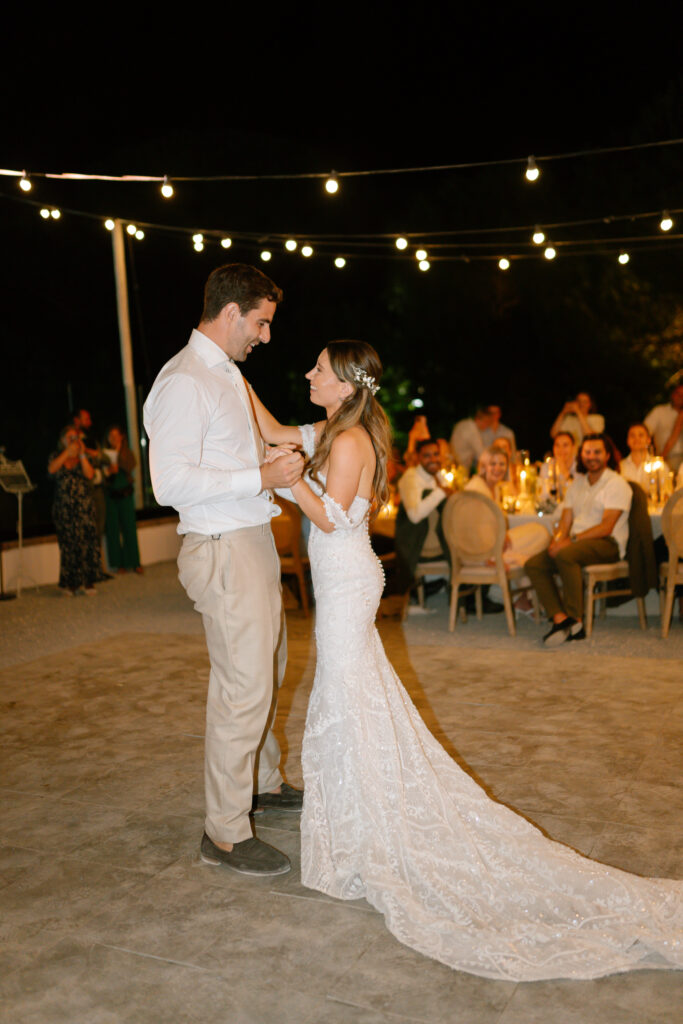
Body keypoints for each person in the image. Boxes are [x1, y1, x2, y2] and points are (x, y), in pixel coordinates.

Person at [254, 343, 683, 980]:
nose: (308, 374)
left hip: (345, 578)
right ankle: (357, 829)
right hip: (346, 579)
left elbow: (339, 519)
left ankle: (363, 837)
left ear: (344, 383)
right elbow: (269, 426)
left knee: (345, 699)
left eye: (318, 368)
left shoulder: (345, 443)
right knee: (352, 699)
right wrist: (231, 378)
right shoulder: (338, 428)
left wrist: (292, 485)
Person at [143, 263, 305, 878]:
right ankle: (227, 833)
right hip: (220, 543)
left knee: (269, 668)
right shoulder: (185, 380)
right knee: (243, 686)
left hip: (250, 536)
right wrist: (262, 476)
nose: (264, 336)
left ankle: (260, 784)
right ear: (232, 312)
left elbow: (243, 453)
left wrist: (277, 466)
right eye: (260, 323)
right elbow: (169, 482)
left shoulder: (228, 377)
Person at [526, 433, 632, 646]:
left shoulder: (616, 483)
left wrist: (569, 541)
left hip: (608, 543)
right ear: (581, 455)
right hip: (578, 542)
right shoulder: (578, 483)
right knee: (534, 564)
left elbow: (606, 527)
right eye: (587, 452)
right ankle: (560, 619)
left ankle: (577, 621)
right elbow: (566, 520)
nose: (591, 456)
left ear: (608, 455)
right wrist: (558, 540)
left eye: (597, 452)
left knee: (566, 554)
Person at [394, 438, 454, 596]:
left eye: (436, 454)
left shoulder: (437, 475)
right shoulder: (410, 478)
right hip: (418, 545)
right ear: (418, 458)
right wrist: (441, 492)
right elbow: (414, 516)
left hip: (435, 539)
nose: (433, 459)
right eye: (427, 456)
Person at [48, 425, 101, 595]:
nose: (73, 440)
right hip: (64, 508)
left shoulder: (83, 456)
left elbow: (90, 474)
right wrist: (67, 452)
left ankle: (88, 582)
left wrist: (82, 454)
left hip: (84, 507)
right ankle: (70, 583)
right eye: (70, 437)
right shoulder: (56, 455)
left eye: (76, 437)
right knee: (68, 545)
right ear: (62, 440)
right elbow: (51, 469)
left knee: (88, 543)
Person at [104, 425, 142, 574]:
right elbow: (101, 473)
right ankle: (118, 564)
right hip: (111, 495)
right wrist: (108, 470)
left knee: (129, 528)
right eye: (110, 436)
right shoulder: (104, 454)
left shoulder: (127, 452)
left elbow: (130, 465)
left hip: (125, 494)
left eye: (115, 435)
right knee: (113, 529)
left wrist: (118, 456)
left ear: (121, 436)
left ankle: (135, 562)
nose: (113, 439)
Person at [645, 383, 683, 473]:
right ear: (672, 395)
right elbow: (645, 432)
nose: (681, 397)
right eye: (678, 393)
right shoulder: (659, 412)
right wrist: (658, 457)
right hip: (665, 459)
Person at [620, 422, 668, 493]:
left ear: (648, 440)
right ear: (627, 441)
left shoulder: (659, 466)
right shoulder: (620, 466)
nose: (636, 439)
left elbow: (666, 492)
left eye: (641, 435)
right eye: (632, 435)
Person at [449, 406, 492, 473]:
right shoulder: (472, 430)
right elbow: (480, 454)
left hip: (452, 462)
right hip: (459, 466)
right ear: (478, 419)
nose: (487, 425)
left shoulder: (463, 423)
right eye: (487, 422)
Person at [538, 430, 577, 503]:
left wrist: (565, 472)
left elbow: (579, 493)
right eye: (557, 445)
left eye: (565, 445)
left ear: (573, 447)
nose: (561, 449)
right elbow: (544, 495)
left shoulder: (580, 466)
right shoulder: (546, 467)